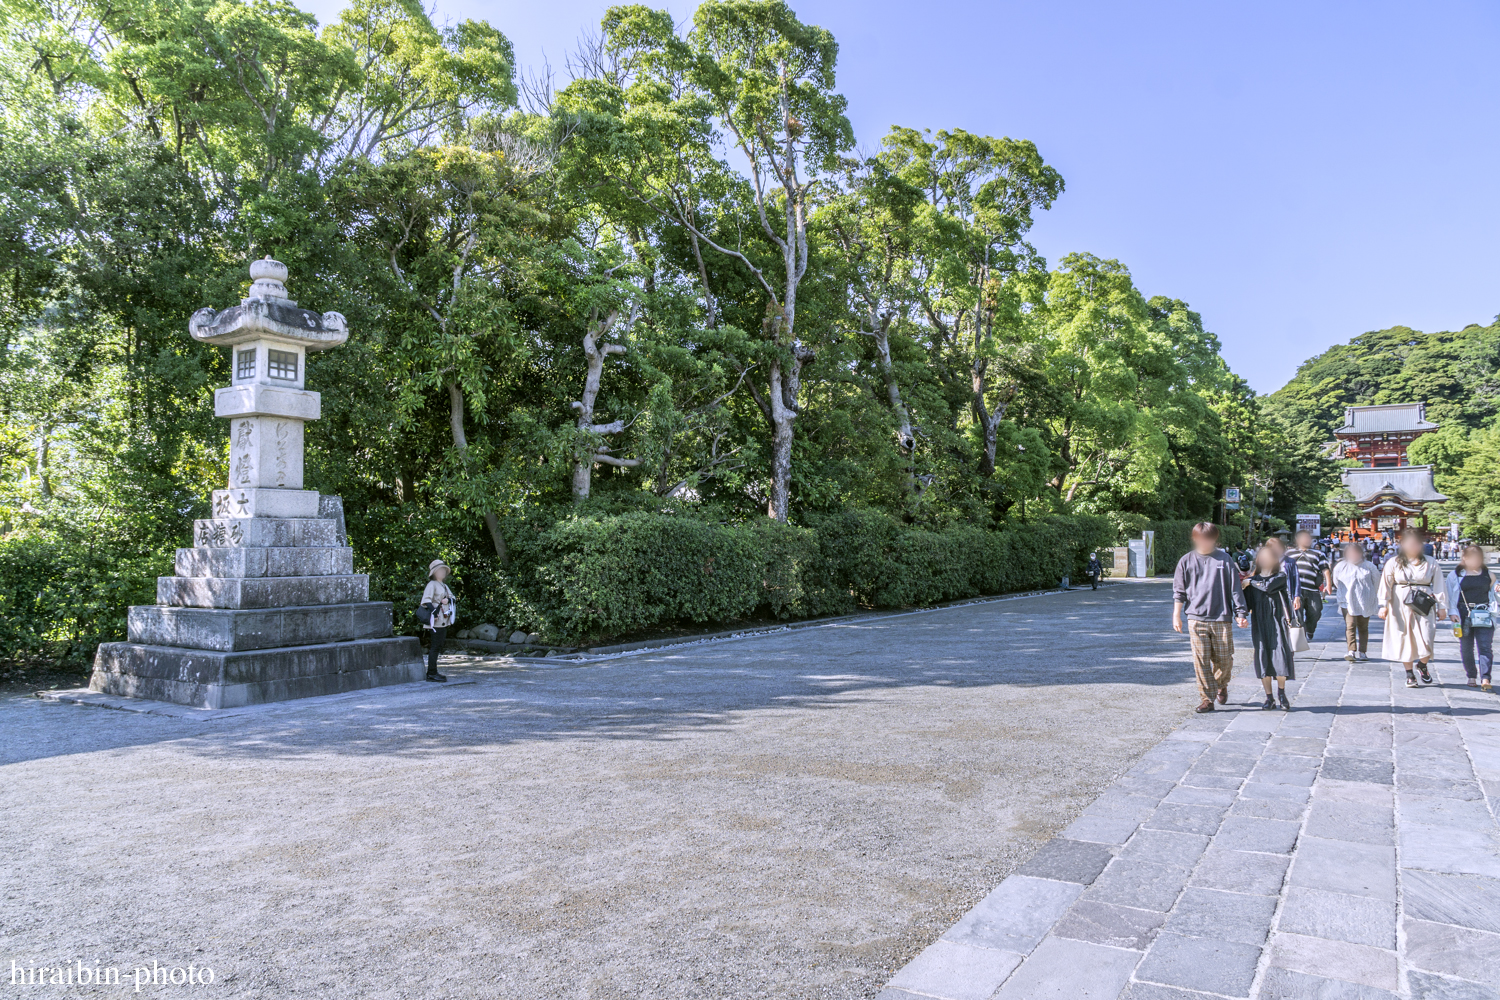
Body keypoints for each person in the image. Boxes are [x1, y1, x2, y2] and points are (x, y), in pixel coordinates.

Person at [1172, 522, 1250, 713]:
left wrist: (1241, 613)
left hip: (1222, 617)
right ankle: (1207, 698)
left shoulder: (1224, 560)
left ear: (1215, 539)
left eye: (1209, 538)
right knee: (1201, 660)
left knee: (1224, 660)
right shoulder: (1186, 560)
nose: (1204, 541)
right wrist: (1176, 615)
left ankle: (1221, 684)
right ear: (1195, 538)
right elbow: (1179, 591)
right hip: (1196, 618)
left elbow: (1235, 589)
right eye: (1200, 537)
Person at [1379, 528, 1447, 687]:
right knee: (1404, 638)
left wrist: (1442, 606)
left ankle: (1422, 664)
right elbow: (1385, 584)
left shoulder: (1431, 562)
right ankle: (1409, 674)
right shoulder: (1394, 562)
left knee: (1427, 636)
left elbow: (1439, 585)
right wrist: (1383, 605)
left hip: (1424, 601)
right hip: (1399, 603)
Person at [1242, 546, 1296, 709]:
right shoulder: (1252, 581)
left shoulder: (1280, 576)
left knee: (1280, 656)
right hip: (1260, 624)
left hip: (1278, 623)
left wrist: (1249, 581)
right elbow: (1247, 604)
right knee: (1262, 658)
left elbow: (1267, 586)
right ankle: (1269, 697)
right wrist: (1241, 615)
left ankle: (1281, 693)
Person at [1445, 545, 1498, 691]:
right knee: (1466, 647)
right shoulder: (1455, 575)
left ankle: (1485, 677)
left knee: (1485, 646)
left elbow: (1496, 596)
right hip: (1463, 613)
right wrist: (1452, 612)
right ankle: (1471, 675)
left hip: (1484, 613)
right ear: (1464, 558)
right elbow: (1450, 596)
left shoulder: (1489, 575)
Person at [1333, 541, 1379, 662]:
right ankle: (1351, 650)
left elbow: (1376, 582)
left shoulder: (1369, 566)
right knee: (1350, 625)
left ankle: (1363, 651)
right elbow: (1336, 582)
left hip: (1365, 600)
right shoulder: (1341, 566)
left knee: (1363, 626)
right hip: (1347, 600)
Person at [1286, 530, 1333, 641]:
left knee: (1316, 611)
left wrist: (1328, 584)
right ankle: (1301, 634)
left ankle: (1310, 629)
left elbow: (1325, 570)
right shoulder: (1289, 553)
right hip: (1295, 590)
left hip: (1312, 589)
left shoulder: (1318, 554)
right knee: (1297, 614)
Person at [420, 558, 457, 682]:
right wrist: (434, 611)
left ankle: (433, 671)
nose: (442, 573)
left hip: (443, 620)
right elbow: (426, 600)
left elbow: (453, 597)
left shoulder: (444, 585)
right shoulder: (432, 585)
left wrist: (448, 600)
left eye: (443, 570)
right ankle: (431, 672)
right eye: (439, 570)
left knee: (438, 645)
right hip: (435, 620)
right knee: (435, 646)